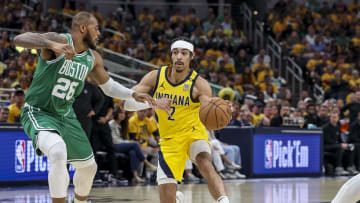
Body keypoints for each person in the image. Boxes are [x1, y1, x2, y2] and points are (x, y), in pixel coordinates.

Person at [14, 12, 157, 203]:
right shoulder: (60, 40)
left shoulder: (93, 58)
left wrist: (132, 94)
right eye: (96, 28)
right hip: (40, 111)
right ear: (83, 28)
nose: (99, 33)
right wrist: (50, 44)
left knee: (89, 168)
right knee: (57, 151)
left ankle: (80, 202)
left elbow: (109, 86)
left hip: (66, 115)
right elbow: (19, 39)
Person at [124, 37, 231, 203]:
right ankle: (176, 198)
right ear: (171, 56)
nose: (179, 57)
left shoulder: (199, 84)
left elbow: (208, 108)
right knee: (167, 198)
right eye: (175, 53)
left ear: (191, 57)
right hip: (169, 140)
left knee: (204, 161)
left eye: (184, 53)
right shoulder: (155, 77)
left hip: (193, 133)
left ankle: (224, 201)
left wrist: (221, 108)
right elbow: (126, 103)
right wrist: (153, 102)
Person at [109, 107, 157, 183]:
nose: (122, 115)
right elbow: (115, 140)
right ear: (116, 114)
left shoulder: (123, 124)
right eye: (120, 113)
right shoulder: (112, 124)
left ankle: (135, 176)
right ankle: (147, 164)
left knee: (133, 152)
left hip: (122, 145)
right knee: (135, 144)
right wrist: (128, 142)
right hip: (114, 146)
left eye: (123, 113)